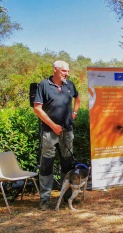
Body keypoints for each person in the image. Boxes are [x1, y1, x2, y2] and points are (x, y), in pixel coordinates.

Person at [33, 60, 80, 211]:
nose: (67, 73)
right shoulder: (43, 85)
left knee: (67, 163)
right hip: (49, 132)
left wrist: (74, 113)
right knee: (47, 165)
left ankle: (66, 196)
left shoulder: (70, 85)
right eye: (64, 71)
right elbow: (37, 109)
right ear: (55, 69)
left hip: (67, 132)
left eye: (67, 71)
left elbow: (77, 98)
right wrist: (53, 125)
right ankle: (45, 199)